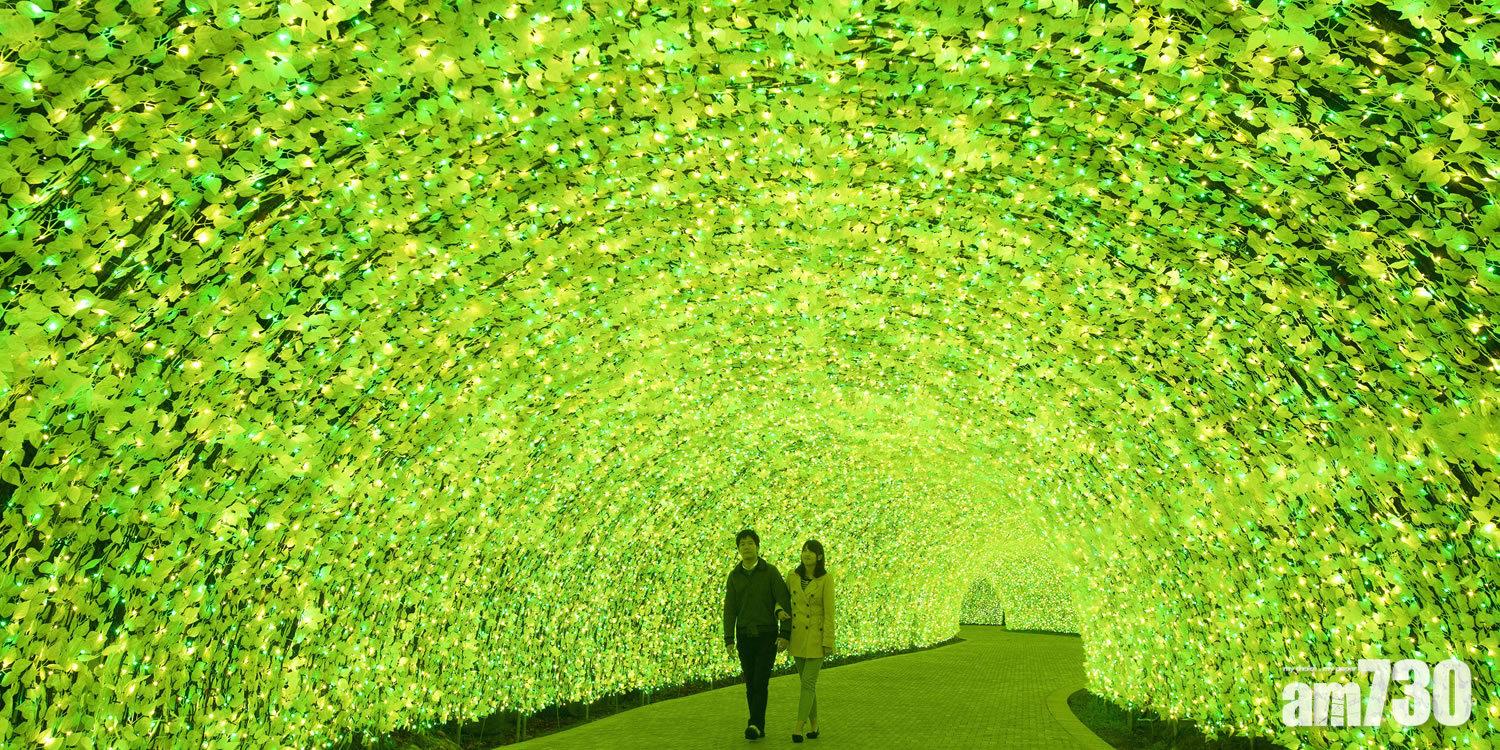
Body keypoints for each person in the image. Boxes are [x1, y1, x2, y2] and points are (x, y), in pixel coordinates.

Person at [723, 528, 791, 741]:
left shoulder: (770, 572)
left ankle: (755, 724)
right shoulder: (734, 576)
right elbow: (730, 609)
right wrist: (728, 639)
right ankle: (756, 724)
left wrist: (785, 634)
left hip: (766, 635)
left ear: (758, 546)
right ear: (738, 549)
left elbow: (784, 601)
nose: (746, 546)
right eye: (742, 544)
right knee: (751, 683)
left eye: (750, 543)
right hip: (744, 636)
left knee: (760, 681)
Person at [784, 539, 834, 743]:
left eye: (811, 552)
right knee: (807, 684)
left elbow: (830, 612)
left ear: (819, 557)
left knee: (807, 683)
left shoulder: (826, 579)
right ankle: (815, 726)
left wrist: (828, 640)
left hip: (816, 637)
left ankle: (798, 727)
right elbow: (783, 600)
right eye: (804, 550)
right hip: (797, 637)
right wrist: (779, 610)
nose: (807, 554)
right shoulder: (792, 576)